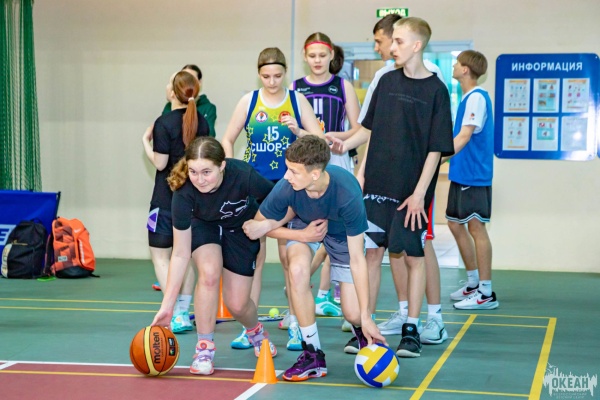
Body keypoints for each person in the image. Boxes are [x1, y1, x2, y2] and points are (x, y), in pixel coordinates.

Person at [334, 17, 454, 358]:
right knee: (371, 254)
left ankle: (411, 329)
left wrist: (419, 194)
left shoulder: (437, 91)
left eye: (399, 41)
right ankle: (366, 326)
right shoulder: (386, 81)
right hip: (376, 186)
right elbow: (368, 130)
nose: (392, 46)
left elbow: (436, 149)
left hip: (410, 193)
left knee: (413, 256)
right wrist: (347, 151)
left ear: (416, 45)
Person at [242, 135, 386, 381]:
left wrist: (365, 315)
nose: (287, 176)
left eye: (294, 171)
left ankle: (364, 329)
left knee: (352, 313)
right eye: (287, 168)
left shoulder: (347, 192)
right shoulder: (287, 186)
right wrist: (302, 235)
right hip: (303, 226)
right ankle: (313, 355)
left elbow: (357, 259)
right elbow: (256, 227)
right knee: (297, 271)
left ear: (315, 174)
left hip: (340, 234)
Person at [221, 47, 323, 352]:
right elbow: (227, 138)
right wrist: (231, 170)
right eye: (266, 76)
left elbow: (319, 141)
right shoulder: (249, 101)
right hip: (254, 185)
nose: (272, 81)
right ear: (259, 74)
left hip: (288, 186)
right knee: (255, 257)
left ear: (285, 73)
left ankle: (295, 322)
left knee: (289, 255)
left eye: (278, 75)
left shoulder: (296, 100)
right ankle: (249, 326)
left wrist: (298, 130)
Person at [151, 136, 277, 375]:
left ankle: (256, 331)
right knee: (208, 274)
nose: (199, 179)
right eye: (193, 171)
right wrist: (168, 306)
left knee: (238, 304)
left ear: (222, 166)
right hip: (203, 225)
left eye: (206, 172)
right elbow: (180, 254)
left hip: (240, 227)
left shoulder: (243, 175)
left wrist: (266, 225)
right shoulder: (183, 192)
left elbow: (278, 200)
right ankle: (204, 348)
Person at [291, 32, 361, 321]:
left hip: (336, 160)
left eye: (322, 55)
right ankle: (297, 304)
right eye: (312, 56)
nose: (318, 60)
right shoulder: (295, 87)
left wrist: (335, 136)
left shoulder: (343, 86)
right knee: (302, 233)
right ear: (305, 57)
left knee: (338, 231)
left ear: (332, 55)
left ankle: (339, 301)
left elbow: (359, 128)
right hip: (304, 164)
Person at [142, 70, 210, 333]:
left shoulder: (164, 123)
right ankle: (182, 312)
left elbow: (160, 163)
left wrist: (145, 143)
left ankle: (172, 309)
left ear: (172, 92)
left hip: (164, 199)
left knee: (161, 256)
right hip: (194, 199)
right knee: (187, 254)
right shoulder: (202, 122)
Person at [443, 50, 498, 310]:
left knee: (477, 228)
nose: (454, 66)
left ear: (465, 69)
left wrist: (438, 159)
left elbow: (464, 136)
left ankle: (485, 292)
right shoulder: (467, 98)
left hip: (474, 176)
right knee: (455, 224)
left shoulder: (477, 97)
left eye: (457, 63)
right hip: (461, 173)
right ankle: (474, 282)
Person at [162, 64, 217, 137]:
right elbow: (162, 133)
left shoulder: (208, 108)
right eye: (183, 79)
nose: (186, 83)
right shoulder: (169, 106)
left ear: (199, 82)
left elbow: (209, 136)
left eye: (191, 79)